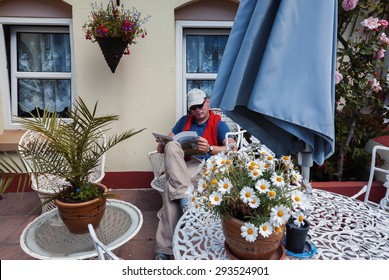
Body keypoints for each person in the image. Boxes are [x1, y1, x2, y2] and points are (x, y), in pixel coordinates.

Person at [154, 88, 236, 260]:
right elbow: (170, 140)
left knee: (171, 189)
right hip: (183, 165)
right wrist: (162, 146)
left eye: (200, 105)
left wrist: (211, 148)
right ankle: (185, 198)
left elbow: (232, 148)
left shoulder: (218, 123)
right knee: (171, 147)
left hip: (205, 166)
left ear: (207, 102)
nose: (197, 110)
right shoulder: (184, 121)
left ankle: (164, 249)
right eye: (193, 108)